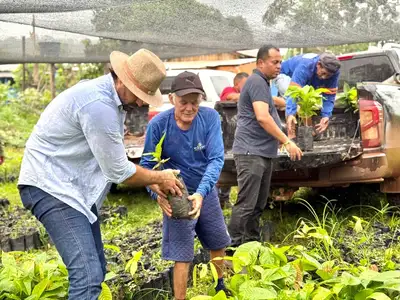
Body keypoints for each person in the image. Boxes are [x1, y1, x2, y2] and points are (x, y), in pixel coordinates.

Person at [17, 49, 182, 300]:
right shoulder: (99, 104)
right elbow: (119, 171)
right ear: (122, 80)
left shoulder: (107, 98)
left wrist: (152, 180)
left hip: (72, 188)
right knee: (87, 276)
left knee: (97, 270)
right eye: (139, 95)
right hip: (51, 186)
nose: (140, 102)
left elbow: (112, 158)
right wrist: (161, 177)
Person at [140, 71, 231, 299]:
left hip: (205, 189)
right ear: (172, 99)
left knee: (217, 239)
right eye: (184, 102)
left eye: (194, 102)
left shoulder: (210, 118)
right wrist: (158, 195)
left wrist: (201, 193)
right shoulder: (159, 124)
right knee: (182, 253)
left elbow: (216, 159)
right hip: (176, 192)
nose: (189, 107)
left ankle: (220, 284)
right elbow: (147, 165)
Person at [228, 45, 303, 249]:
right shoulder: (256, 82)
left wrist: (279, 135)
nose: (279, 66)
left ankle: (252, 245)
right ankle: (231, 249)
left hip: (261, 152)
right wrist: (287, 141)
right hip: (251, 152)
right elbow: (262, 117)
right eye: (275, 62)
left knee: (258, 205)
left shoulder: (262, 83)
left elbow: (266, 112)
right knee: (246, 204)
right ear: (260, 63)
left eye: (280, 62)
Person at [281, 53, 341, 138]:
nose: (324, 78)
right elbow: (292, 93)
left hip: (307, 80)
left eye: (328, 76)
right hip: (284, 75)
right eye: (323, 73)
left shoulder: (334, 73)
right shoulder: (305, 66)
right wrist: (290, 113)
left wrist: (326, 116)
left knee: (307, 103)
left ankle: (308, 133)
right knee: (296, 103)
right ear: (318, 65)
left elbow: (329, 95)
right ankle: (291, 135)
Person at [218, 72, 249, 208]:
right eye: (245, 84)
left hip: (240, 139)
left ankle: (224, 199)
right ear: (237, 85)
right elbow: (231, 97)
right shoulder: (229, 90)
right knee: (224, 170)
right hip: (226, 139)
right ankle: (220, 200)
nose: (248, 87)